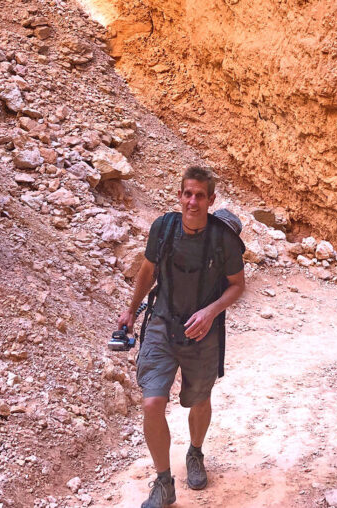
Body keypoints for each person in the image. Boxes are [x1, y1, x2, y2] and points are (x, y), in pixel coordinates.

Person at [118, 166, 245, 508]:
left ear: (210, 199)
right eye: (187, 193)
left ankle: (196, 452)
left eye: (200, 195)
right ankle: (163, 483)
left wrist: (211, 312)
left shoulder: (224, 239)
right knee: (152, 402)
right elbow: (148, 271)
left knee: (199, 400)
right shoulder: (163, 229)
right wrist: (130, 310)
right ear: (179, 196)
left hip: (203, 331)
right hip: (162, 321)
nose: (192, 201)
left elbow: (237, 285)